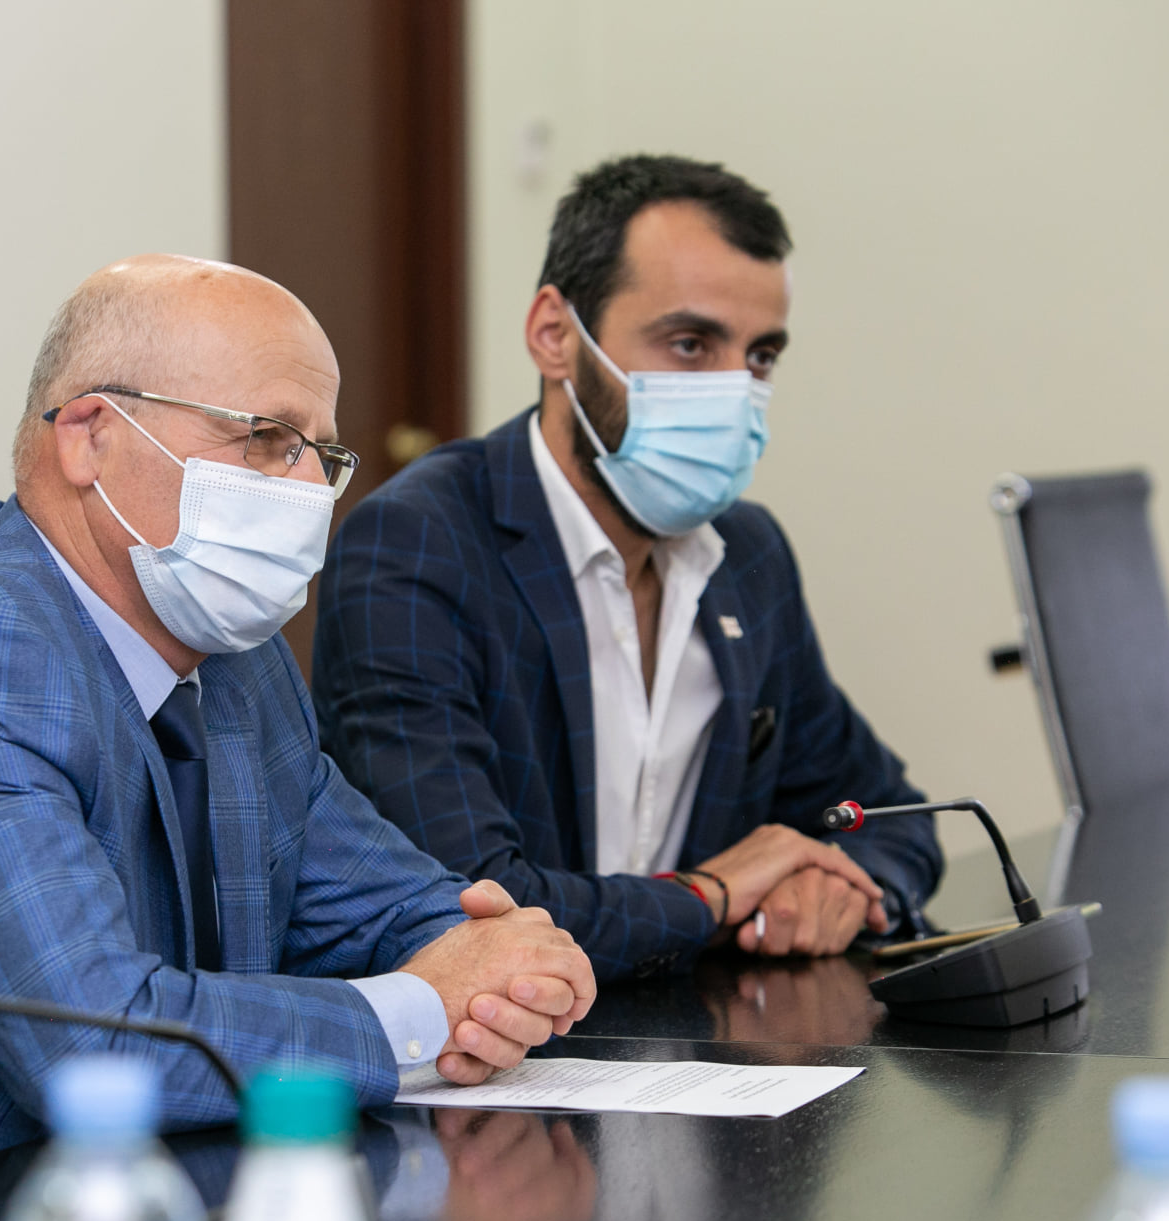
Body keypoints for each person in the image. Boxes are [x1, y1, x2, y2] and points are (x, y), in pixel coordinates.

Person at [0, 255, 595, 1221]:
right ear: (91, 436)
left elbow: (381, 902)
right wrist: (423, 1011)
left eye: (322, 452)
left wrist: (499, 961)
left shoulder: (237, 661)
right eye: (268, 439)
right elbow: (95, 1040)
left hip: (112, 1199)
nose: (312, 486)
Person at [311, 155, 943, 982]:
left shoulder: (749, 555)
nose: (733, 390)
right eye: (690, 344)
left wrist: (841, 889)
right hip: (509, 1049)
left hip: (708, 1040)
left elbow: (889, 815)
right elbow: (468, 901)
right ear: (555, 335)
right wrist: (712, 896)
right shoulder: (418, 543)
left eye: (759, 356)